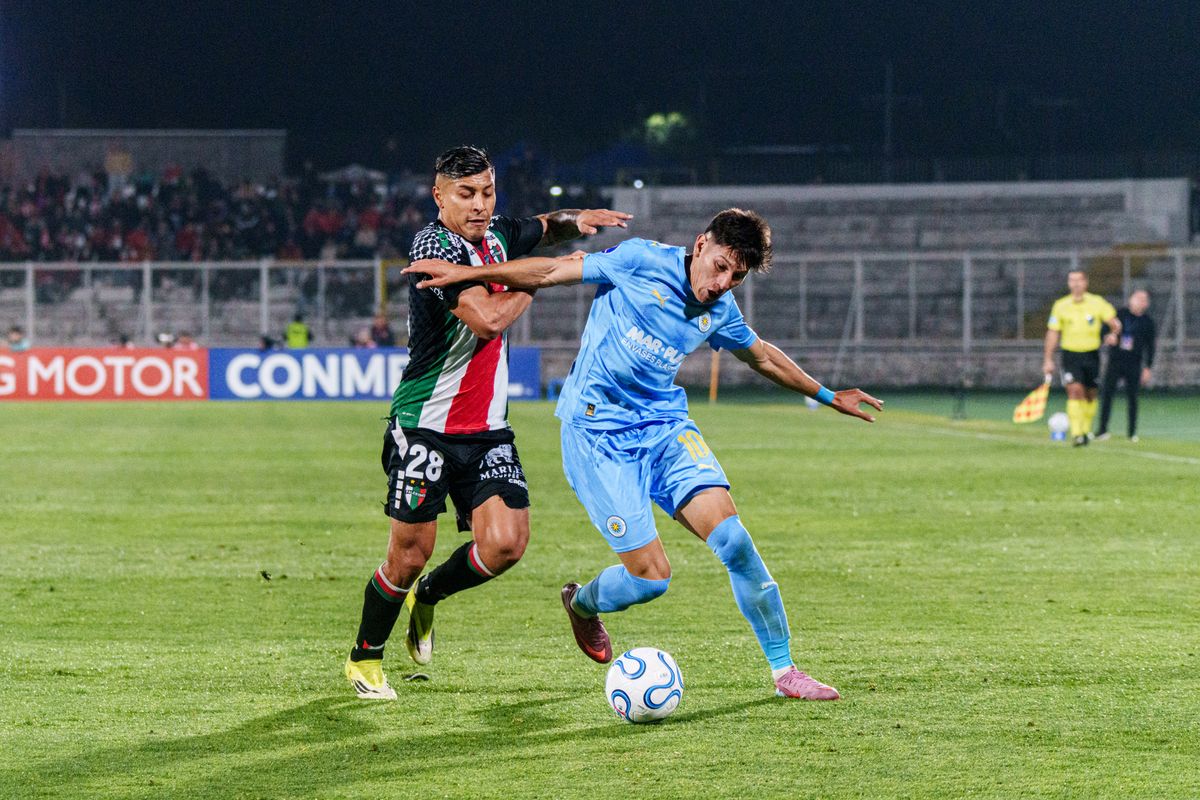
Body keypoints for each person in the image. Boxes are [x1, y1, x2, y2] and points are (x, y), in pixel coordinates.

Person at [408, 208, 882, 701]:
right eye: (720, 266)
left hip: (663, 430)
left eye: (737, 276)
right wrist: (468, 274)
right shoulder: (638, 261)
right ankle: (583, 604)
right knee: (652, 579)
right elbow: (551, 271)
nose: (723, 283)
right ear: (700, 245)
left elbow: (761, 354)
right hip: (596, 435)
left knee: (736, 542)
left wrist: (829, 395)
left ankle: (785, 670)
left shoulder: (720, 310)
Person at [345, 145, 630, 699]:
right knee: (407, 554)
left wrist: (578, 221)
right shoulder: (434, 247)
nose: (480, 206)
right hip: (425, 424)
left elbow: (542, 227)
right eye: (466, 194)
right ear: (439, 196)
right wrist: (539, 278)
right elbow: (488, 319)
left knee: (505, 545)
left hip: (487, 430)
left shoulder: (496, 236)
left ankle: (427, 598)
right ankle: (364, 658)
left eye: (487, 192)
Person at [1041, 269, 1121, 447]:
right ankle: (1077, 434)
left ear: (1086, 283)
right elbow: (1053, 333)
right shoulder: (1060, 305)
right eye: (1072, 280)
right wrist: (1048, 359)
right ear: (1068, 283)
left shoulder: (1097, 303)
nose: (1075, 284)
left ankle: (1085, 430)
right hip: (1070, 355)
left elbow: (1115, 323)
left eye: (1079, 280)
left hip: (1092, 354)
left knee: (1091, 394)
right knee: (1075, 390)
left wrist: (1114, 334)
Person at [1097, 289, 1156, 442]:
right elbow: (1104, 331)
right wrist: (1107, 337)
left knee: (1133, 398)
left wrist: (1148, 367)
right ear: (1130, 299)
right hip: (1115, 361)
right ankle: (1102, 430)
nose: (1140, 302)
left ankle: (1131, 433)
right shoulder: (1119, 315)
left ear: (1147, 304)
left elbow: (1150, 347)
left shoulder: (1148, 322)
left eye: (1143, 299)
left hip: (1134, 363)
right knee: (1107, 395)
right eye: (1137, 298)